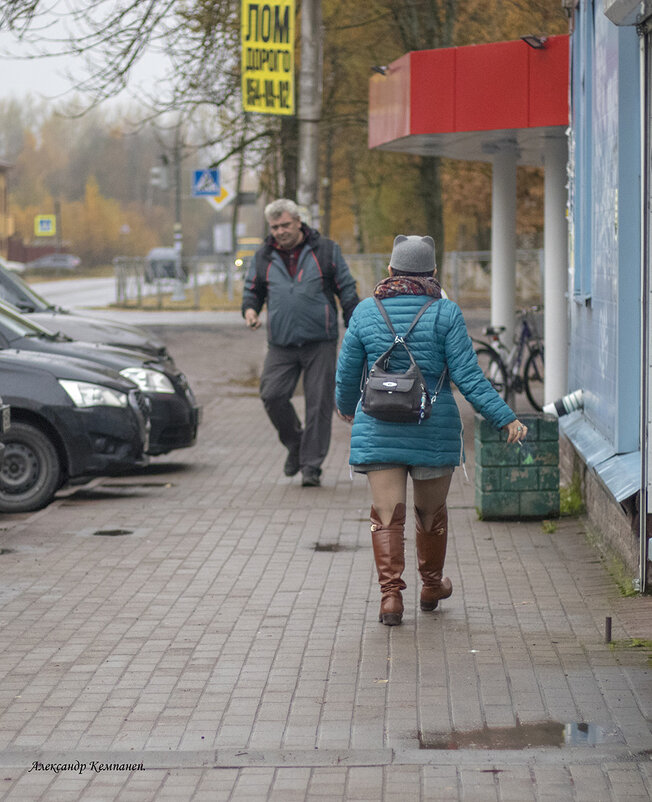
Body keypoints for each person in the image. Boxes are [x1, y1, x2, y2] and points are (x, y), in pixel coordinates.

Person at [335, 235, 527, 626]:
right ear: (434, 273)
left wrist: (344, 409)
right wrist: (505, 416)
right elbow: (469, 378)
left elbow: (346, 373)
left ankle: (391, 598)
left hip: (378, 426)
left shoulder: (364, 312)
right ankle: (432, 584)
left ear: (389, 271)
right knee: (430, 514)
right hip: (432, 427)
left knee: (386, 516)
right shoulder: (447, 313)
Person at [243, 198, 360, 487]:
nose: (280, 231)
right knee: (272, 395)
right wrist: (250, 310)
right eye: (274, 227)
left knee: (319, 404)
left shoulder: (325, 250)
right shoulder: (263, 256)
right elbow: (252, 290)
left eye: (285, 225)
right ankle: (295, 444)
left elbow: (345, 287)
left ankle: (311, 466)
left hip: (320, 340)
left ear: (298, 222)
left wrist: (354, 320)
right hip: (281, 343)